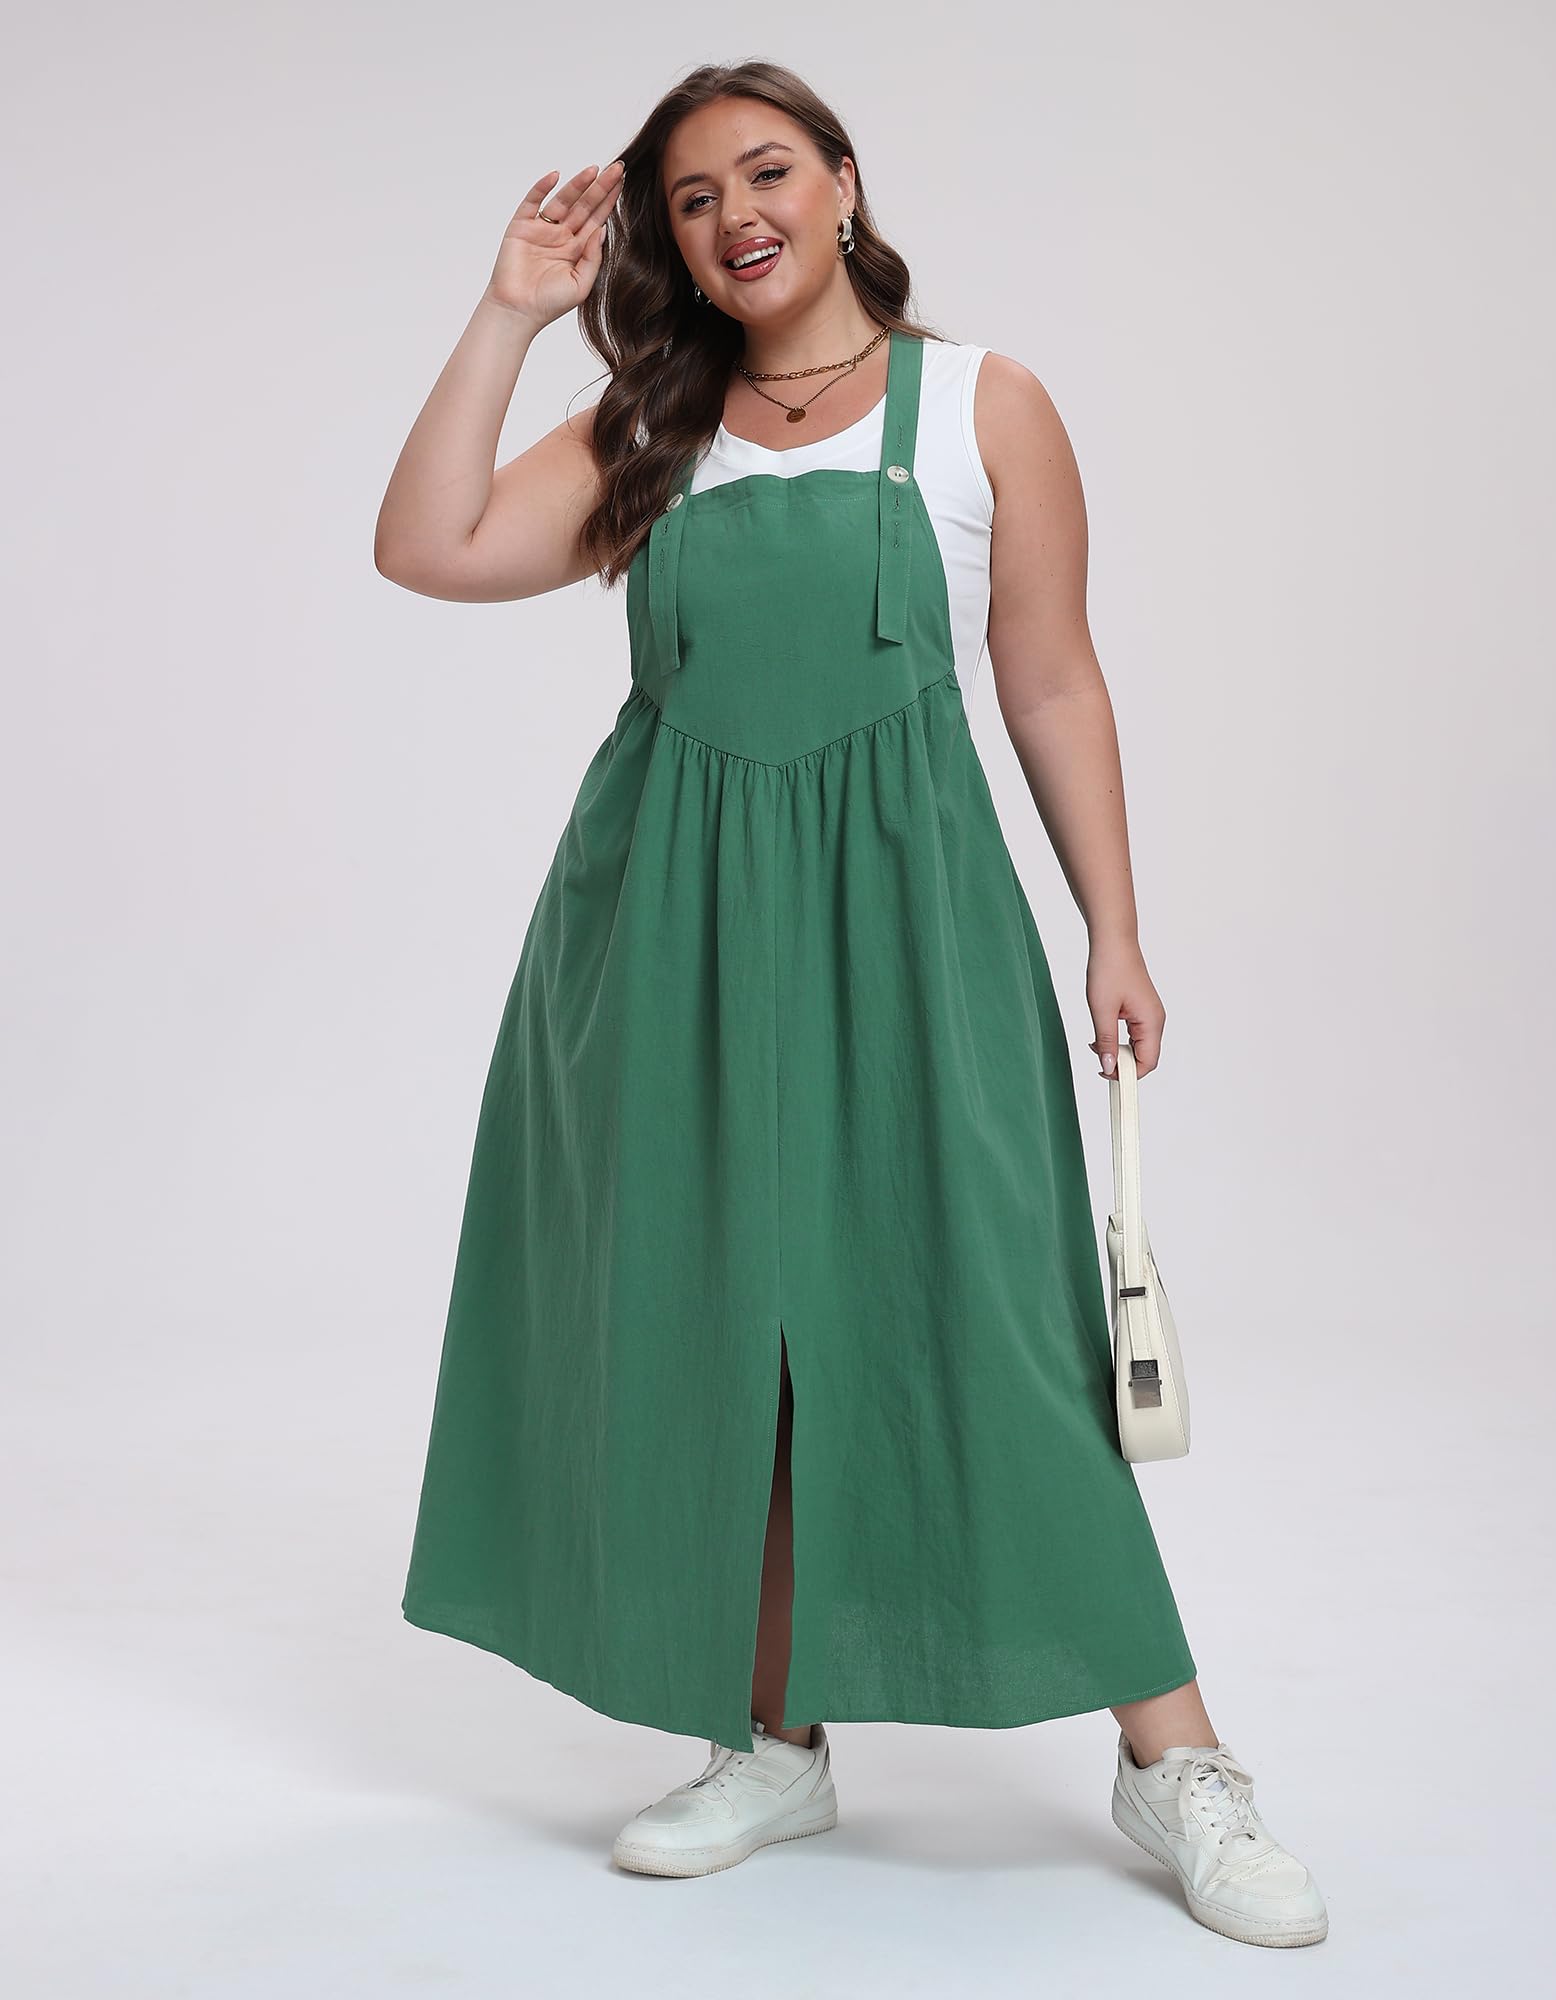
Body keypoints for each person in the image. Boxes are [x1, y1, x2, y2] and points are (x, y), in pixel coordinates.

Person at [374, 60, 1327, 1950]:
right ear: (670, 244)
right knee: (727, 1324)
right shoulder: (648, 425)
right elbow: (429, 547)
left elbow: (1050, 679)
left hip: (915, 923)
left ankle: (1178, 1760)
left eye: (767, 172)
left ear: (841, 180)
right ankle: (773, 1736)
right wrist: (506, 313)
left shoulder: (981, 405)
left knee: (996, 1318)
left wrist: (1113, 930)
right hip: (667, 932)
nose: (737, 215)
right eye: (694, 197)